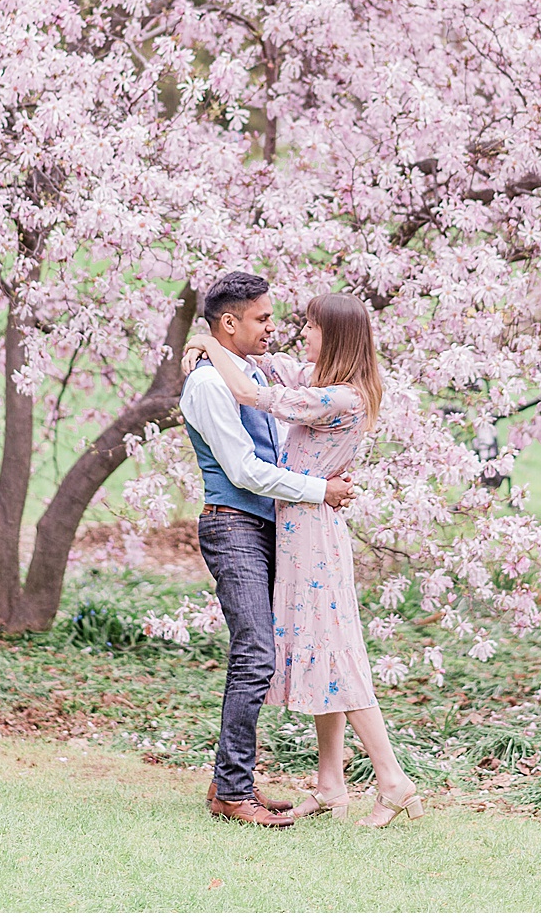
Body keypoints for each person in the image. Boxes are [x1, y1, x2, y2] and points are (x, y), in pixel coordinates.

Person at [184, 291, 425, 828]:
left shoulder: (339, 397)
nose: (299, 334)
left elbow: (249, 388)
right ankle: (331, 784)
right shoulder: (315, 377)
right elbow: (261, 363)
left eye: (311, 327)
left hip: (312, 529)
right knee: (319, 652)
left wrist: (203, 341)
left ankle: (392, 780)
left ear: (333, 336)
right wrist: (214, 342)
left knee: (335, 653)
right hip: (297, 527)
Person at [178, 271, 355, 828]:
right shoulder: (208, 385)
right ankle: (232, 791)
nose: (273, 328)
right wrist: (318, 490)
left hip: (266, 528)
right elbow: (245, 471)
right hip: (232, 525)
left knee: (266, 651)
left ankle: (231, 781)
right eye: (262, 318)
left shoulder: (249, 371)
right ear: (229, 323)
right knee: (255, 652)